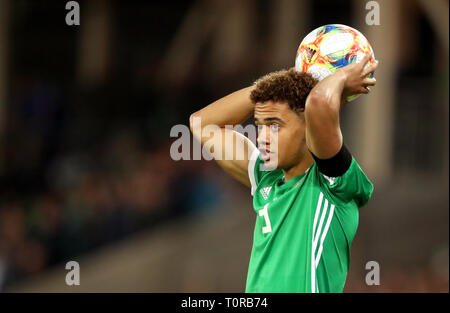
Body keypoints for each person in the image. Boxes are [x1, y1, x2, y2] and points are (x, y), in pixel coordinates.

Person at [189, 54, 378, 292]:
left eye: (275, 126)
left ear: (309, 128)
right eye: (260, 126)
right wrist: (272, 88)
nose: (262, 138)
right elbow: (202, 123)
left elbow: (319, 103)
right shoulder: (266, 177)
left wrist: (339, 75)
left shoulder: (335, 182)